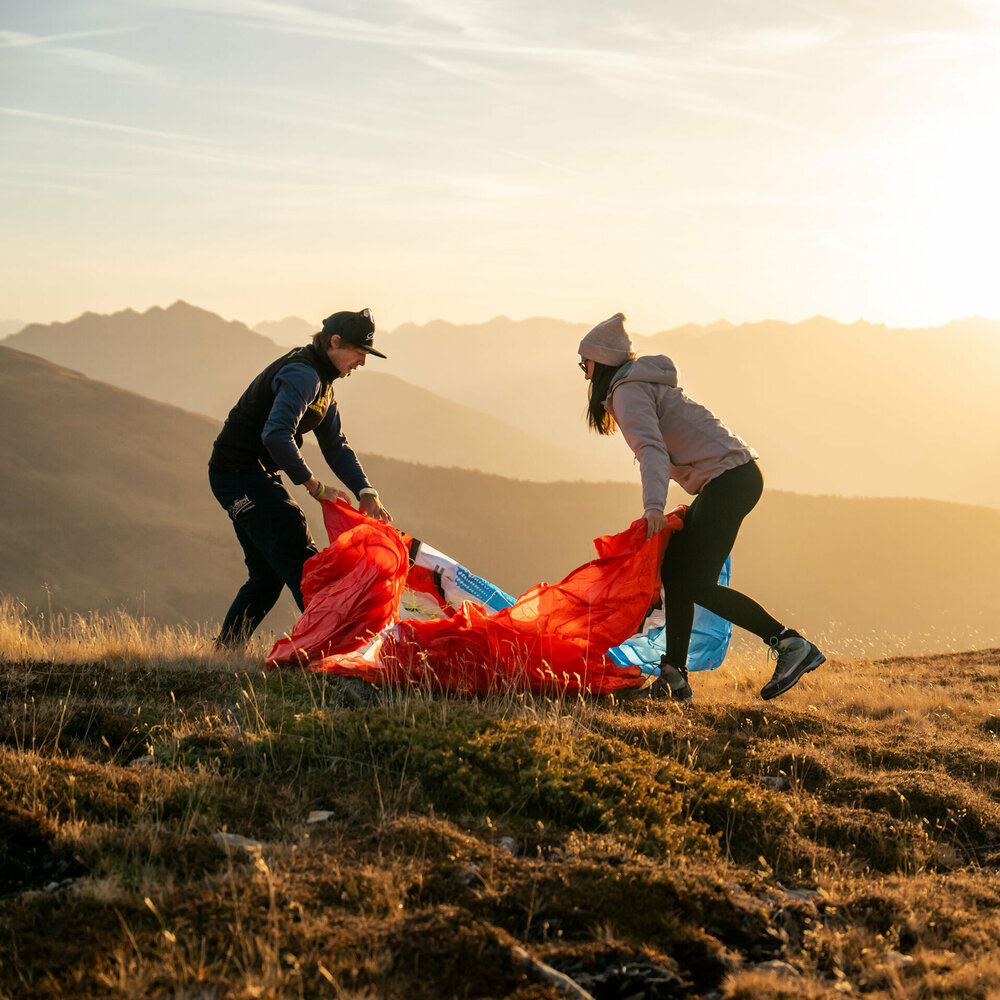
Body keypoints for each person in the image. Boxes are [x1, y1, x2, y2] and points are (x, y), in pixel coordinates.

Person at [578, 312, 825, 701]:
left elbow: (651, 450)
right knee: (677, 571)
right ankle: (674, 676)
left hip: (730, 479)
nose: (585, 374)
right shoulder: (636, 386)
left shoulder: (627, 391)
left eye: (585, 364)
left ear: (602, 362)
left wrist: (654, 508)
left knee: (694, 581)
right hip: (734, 476)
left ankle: (791, 644)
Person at [208, 308, 392, 647]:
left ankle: (224, 654)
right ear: (334, 342)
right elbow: (276, 434)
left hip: (246, 473)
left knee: (266, 575)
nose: (362, 362)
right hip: (237, 474)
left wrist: (366, 490)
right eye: (359, 352)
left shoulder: (323, 384)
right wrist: (314, 486)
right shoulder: (304, 375)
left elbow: (336, 445)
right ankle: (328, 648)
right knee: (302, 559)